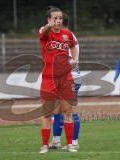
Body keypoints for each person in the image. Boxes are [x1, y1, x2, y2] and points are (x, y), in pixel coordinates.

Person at [38, 6, 78, 154]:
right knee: (47, 113)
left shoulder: (67, 34)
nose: (58, 21)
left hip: (66, 78)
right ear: (48, 20)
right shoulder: (45, 32)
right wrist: (49, 26)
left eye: (60, 18)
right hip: (49, 78)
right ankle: (44, 145)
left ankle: (69, 145)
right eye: (55, 18)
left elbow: (73, 46)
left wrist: (75, 59)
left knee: (68, 111)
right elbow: (44, 32)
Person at [49, 13, 81, 151]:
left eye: (57, 20)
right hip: (61, 77)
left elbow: (69, 59)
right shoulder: (61, 36)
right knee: (56, 109)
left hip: (70, 77)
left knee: (69, 110)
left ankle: (74, 142)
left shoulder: (67, 36)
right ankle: (56, 141)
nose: (55, 23)